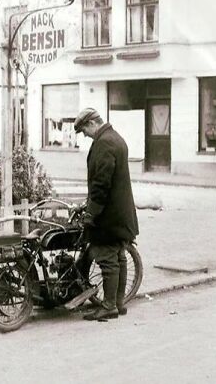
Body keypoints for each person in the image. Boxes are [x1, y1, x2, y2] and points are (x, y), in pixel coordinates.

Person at [73, 107, 139, 321]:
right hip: (119, 213)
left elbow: (102, 184)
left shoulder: (105, 143)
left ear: (92, 123)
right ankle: (118, 304)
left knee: (107, 258)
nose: (85, 135)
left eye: (84, 131)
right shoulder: (115, 138)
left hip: (109, 216)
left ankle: (109, 305)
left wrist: (90, 213)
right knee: (118, 257)